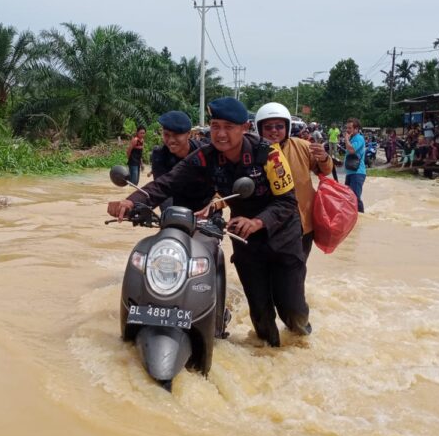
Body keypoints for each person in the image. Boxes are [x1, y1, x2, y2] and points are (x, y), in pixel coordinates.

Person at [107, 97, 309, 347]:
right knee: (260, 312)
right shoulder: (205, 156)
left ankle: (300, 347)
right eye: (215, 126)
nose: (220, 133)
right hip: (244, 239)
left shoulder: (269, 155)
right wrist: (131, 201)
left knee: (293, 309)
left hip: (282, 238)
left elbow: (288, 203)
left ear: (244, 128)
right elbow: (169, 182)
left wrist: (257, 222)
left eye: (228, 127)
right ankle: (269, 355)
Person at [255, 102, 334, 259]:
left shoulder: (303, 146)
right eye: (268, 127)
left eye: (279, 126)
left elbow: (326, 170)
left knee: (297, 273)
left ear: (287, 128)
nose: (274, 131)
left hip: (301, 224)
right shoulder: (251, 150)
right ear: (259, 129)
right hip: (265, 223)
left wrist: (324, 158)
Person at [150, 110, 211, 211]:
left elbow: (222, 186)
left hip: (206, 209)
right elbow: (162, 188)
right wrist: (168, 215)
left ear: (188, 134)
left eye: (176, 135)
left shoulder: (206, 153)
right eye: (166, 135)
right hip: (177, 209)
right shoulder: (159, 155)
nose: (171, 140)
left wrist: (216, 204)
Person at [343, 118, 366, 213]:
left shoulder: (359, 138)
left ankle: (361, 217)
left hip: (357, 173)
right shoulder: (352, 138)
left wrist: (346, 139)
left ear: (356, 129)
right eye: (347, 128)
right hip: (350, 172)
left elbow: (352, 149)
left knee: (355, 197)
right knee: (348, 197)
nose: (347, 130)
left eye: (350, 128)